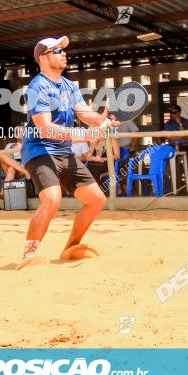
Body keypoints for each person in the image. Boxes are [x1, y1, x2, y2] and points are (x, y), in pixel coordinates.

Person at [18, 36, 116, 270]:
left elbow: (84, 114)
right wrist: (86, 135)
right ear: (43, 58)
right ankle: (28, 256)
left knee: (96, 200)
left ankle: (70, 247)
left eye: (63, 50)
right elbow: (45, 128)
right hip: (39, 150)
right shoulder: (36, 87)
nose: (63, 53)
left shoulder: (69, 85)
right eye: (57, 50)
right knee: (51, 200)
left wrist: (100, 120)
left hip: (63, 151)